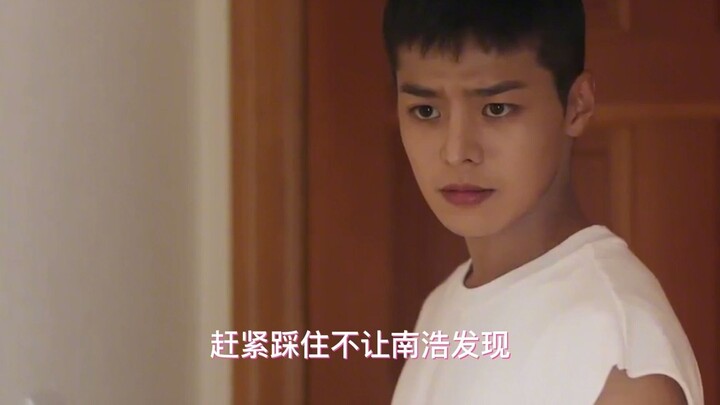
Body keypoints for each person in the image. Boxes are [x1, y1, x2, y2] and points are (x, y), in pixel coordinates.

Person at [382, 1, 704, 403]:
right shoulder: (444, 304)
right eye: (426, 110)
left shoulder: (615, 354)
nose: (457, 151)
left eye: (496, 109)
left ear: (577, 104)